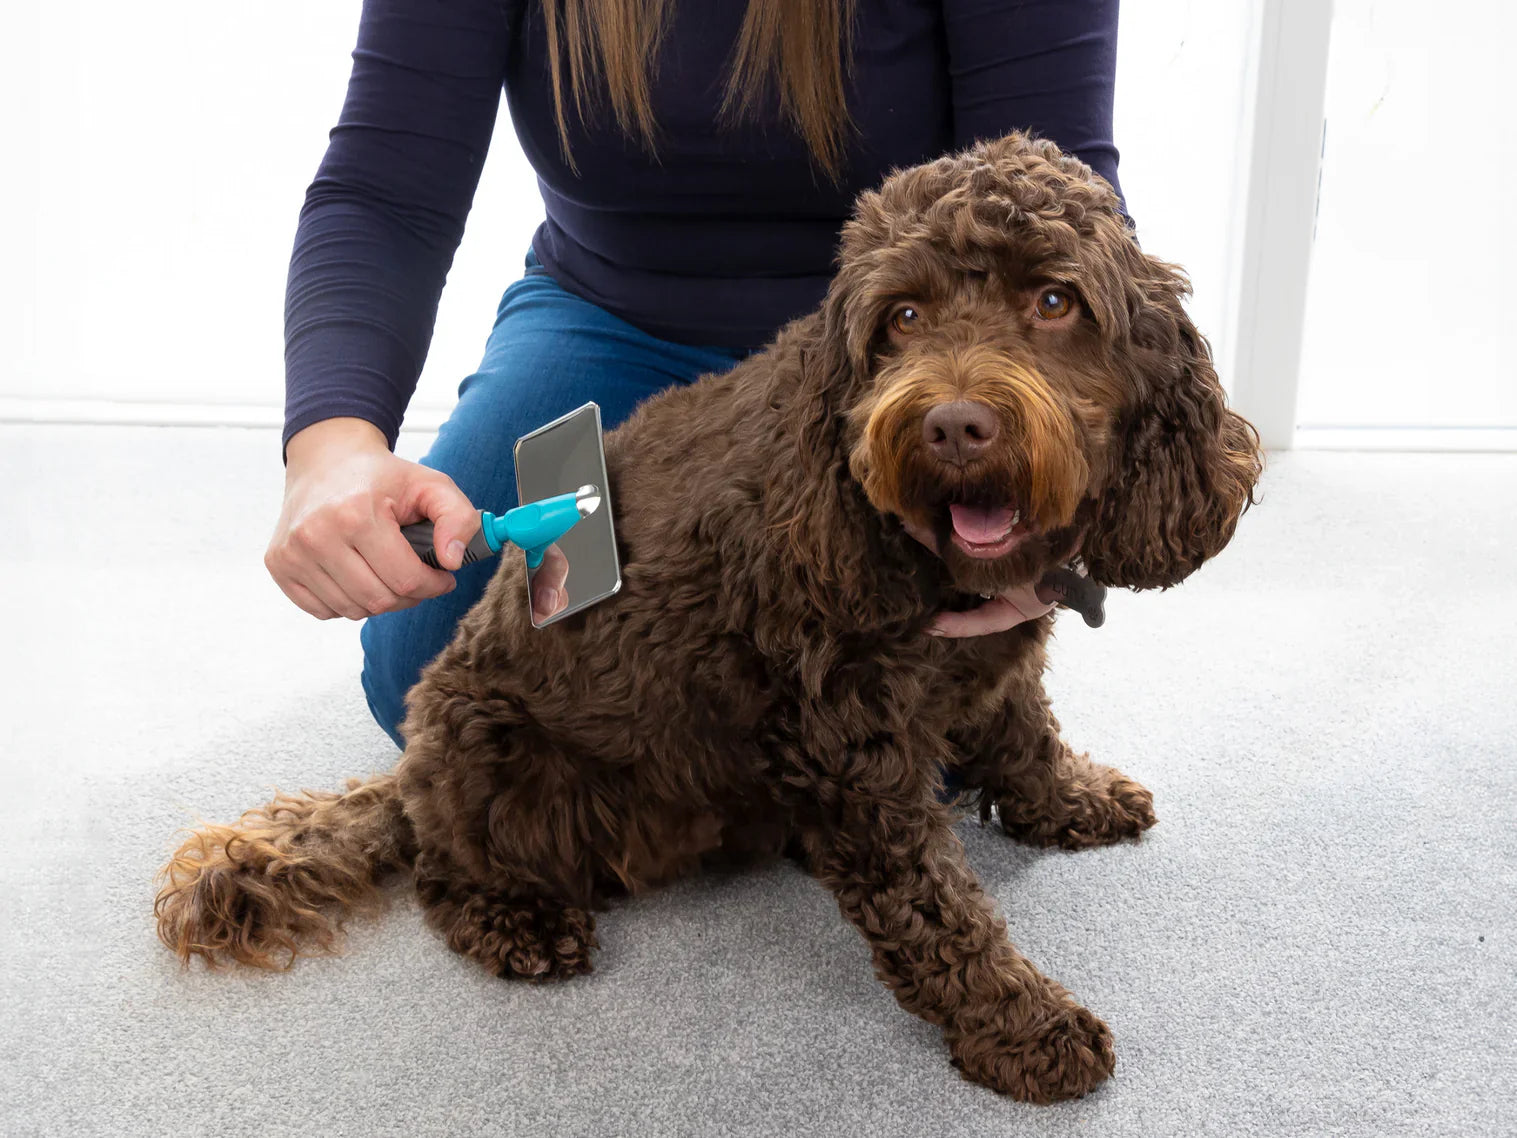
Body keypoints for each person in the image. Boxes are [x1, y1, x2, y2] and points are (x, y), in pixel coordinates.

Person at [265, 0, 1126, 748]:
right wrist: (332, 447)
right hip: (614, 323)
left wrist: (1058, 508)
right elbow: (386, 195)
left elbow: (1063, 203)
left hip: (892, 360)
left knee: (891, 727)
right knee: (446, 688)